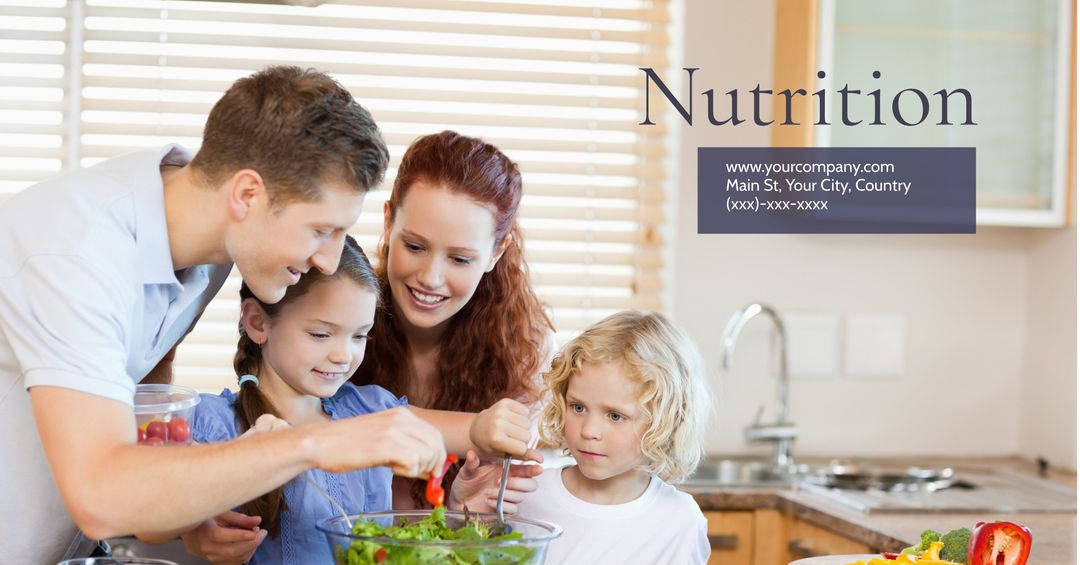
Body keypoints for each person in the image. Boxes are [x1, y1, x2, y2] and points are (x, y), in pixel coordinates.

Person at [0, 66, 526, 564]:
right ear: (248, 193)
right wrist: (317, 441)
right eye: (321, 230)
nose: (327, 259)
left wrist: (189, 508)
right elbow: (104, 495)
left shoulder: (204, 245)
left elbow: (145, 398)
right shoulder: (75, 254)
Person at [143, 236, 536, 564]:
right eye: (321, 335)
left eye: (359, 335)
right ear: (258, 322)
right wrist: (196, 520)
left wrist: (486, 437)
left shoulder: (370, 410)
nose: (343, 355)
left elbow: (472, 431)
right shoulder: (214, 422)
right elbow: (150, 518)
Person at [353, 130, 557, 509]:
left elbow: (481, 528)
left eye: (460, 259)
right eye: (414, 246)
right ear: (388, 222)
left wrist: (462, 514)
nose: (430, 277)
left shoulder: (526, 350)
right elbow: (320, 429)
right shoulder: (338, 314)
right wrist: (472, 431)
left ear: (497, 252)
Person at [516, 311, 712, 565]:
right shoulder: (527, 495)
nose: (588, 431)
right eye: (578, 407)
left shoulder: (679, 520)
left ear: (664, 421)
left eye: (615, 416)